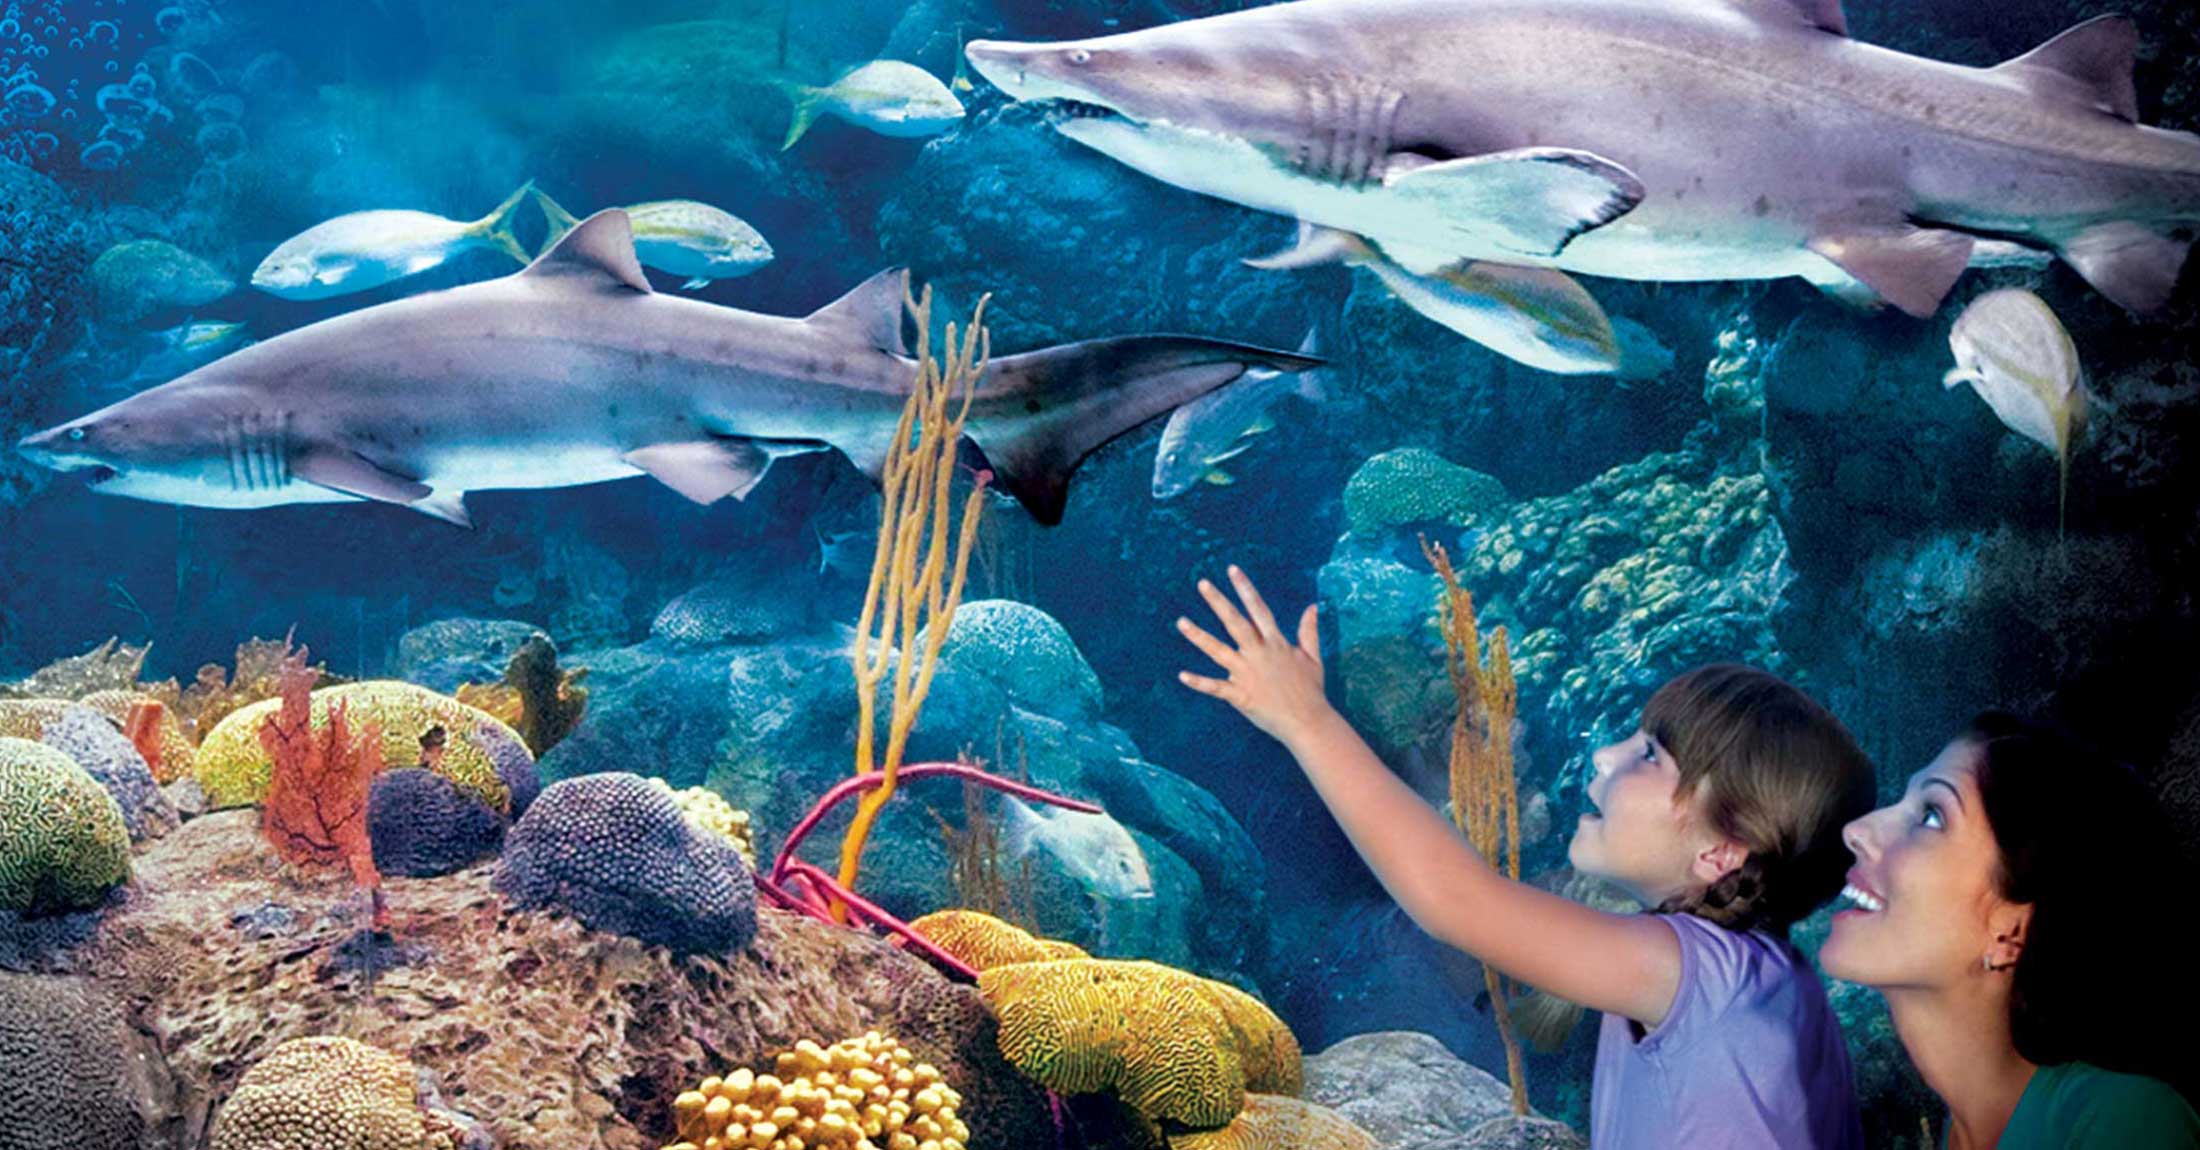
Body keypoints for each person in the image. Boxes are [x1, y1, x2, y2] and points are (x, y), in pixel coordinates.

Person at [1174, 566, 1876, 1148]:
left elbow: (1458, 901)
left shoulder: (1701, 971)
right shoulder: (1760, 976)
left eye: (1648, 757)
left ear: (1723, 850)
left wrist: (1306, 720)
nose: (1604, 757)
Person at [1822, 712, 2200, 1149]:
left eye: (1930, 816)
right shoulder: (1958, 1132)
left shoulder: (2121, 1121)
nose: (1857, 830)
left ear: (2010, 933)